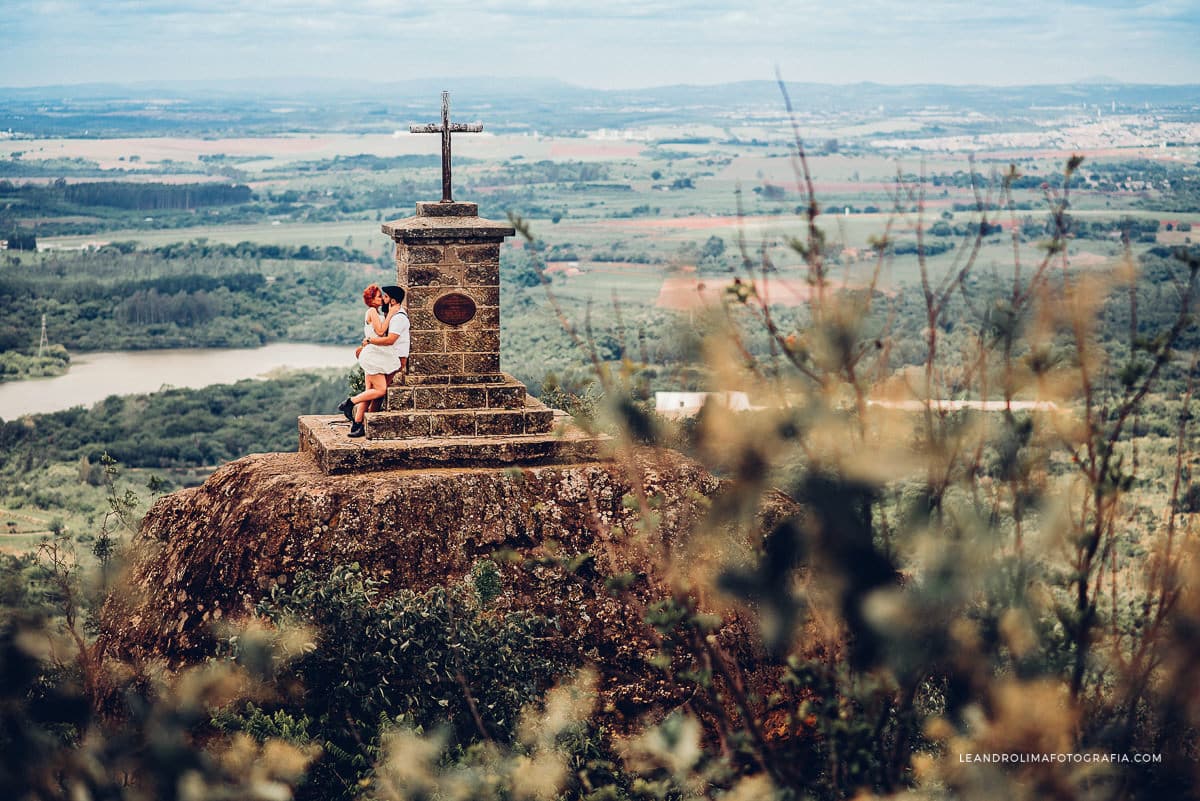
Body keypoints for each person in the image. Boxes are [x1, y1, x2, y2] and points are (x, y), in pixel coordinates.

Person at [337, 284, 409, 437]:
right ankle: (349, 403)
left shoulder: (378, 312)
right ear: (372, 300)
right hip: (374, 356)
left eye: (384, 296)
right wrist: (391, 313)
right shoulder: (372, 311)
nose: (382, 299)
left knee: (370, 392)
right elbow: (382, 332)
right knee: (380, 390)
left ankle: (357, 425)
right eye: (379, 297)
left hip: (376, 354)